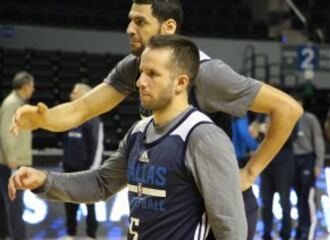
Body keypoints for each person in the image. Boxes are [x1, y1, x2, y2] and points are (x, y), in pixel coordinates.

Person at [10, 0, 303, 238]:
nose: (129, 29)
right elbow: (82, 110)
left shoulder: (208, 75)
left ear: (169, 27)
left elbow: (288, 109)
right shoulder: (136, 76)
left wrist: (250, 173)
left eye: (140, 21)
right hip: (170, 190)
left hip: (211, 201)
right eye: (130, 19)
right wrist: (42, 119)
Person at [9, 34, 247, 240]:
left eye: (152, 74)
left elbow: (231, 229)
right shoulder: (138, 132)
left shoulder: (204, 138)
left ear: (181, 82)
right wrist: (44, 180)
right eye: (142, 71)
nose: (140, 82)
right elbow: (101, 183)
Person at [61, 83, 104, 239]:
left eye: (75, 92)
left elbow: (97, 146)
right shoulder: (69, 116)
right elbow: (65, 142)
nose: (71, 94)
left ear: (85, 95)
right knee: (69, 204)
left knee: (90, 205)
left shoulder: (93, 118)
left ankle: (91, 235)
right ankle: (70, 233)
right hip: (69, 169)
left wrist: (93, 170)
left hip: (87, 171)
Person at [0, 71, 35, 240]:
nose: (33, 89)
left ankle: (8, 235)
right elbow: (7, 133)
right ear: (25, 86)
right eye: (32, 85)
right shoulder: (12, 104)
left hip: (13, 162)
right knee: (15, 205)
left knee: (12, 204)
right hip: (11, 164)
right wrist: (12, 158)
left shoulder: (18, 103)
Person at [258, 114, 298, 240]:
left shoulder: (288, 115)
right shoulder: (261, 115)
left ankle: (286, 234)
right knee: (266, 203)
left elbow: (291, 138)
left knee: (285, 202)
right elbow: (255, 133)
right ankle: (266, 233)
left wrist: (270, 130)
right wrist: (258, 131)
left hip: (283, 165)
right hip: (266, 164)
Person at [293, 95, 325, 240]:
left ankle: (307, 228)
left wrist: (318, 163)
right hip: (291, 159)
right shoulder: (286, 117)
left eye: (296, 101)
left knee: (306, 197)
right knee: (297, 196)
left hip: (307, 159)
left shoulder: (310, 119)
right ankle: (300, 228)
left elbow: (318, 140)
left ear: (301, 102)